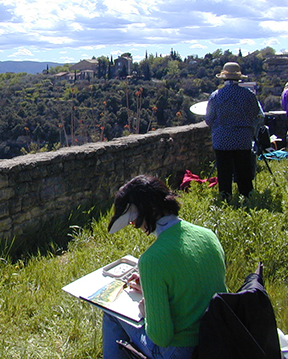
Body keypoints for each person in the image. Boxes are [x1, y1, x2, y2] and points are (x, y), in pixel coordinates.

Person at [102, 175, 227, 359]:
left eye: (134, 221)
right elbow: (191, 287)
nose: (137, 227)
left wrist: (146, 315)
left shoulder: (151, 260)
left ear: (144, 213)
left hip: (182, 350)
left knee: (111, 312)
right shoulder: (208, 236)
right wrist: (149, 290)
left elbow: (161, 337)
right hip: (217, 338)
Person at [205, 62, 263, 199]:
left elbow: (209, 118)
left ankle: (225, 197)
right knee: (244, 170)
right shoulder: (248, 95)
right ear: (238, 78)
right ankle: (246, 195)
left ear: (224, 78)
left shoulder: (216, 95)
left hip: (222, 139)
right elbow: (256, 114)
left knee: (224, 172)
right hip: (243, 139)